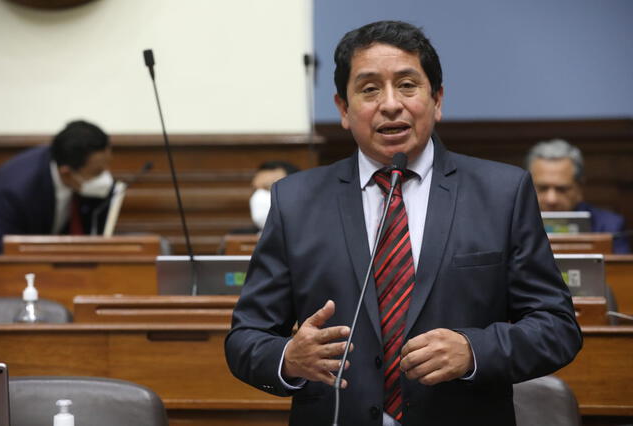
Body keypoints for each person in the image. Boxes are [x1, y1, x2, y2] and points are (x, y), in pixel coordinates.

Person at [225, 21, 582, 426]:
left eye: (408, 85)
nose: (391, 104)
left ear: (437, 100)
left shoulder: (502, 192)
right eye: (370, 89)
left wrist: (474, 349)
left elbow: (556, 327)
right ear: (343, 108)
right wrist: (288, 359)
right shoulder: (295, 200)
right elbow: (244, 339)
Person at [0, 120, 115, 254]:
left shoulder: (69, 162)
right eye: (97, 172)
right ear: (66, 172)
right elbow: (0, 251)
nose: (105, 177)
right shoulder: (15, 192)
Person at [526, 139, 630, 253]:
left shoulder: (609, 227)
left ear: (579, 189)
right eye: (542, 188)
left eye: (562, 189)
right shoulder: (511, 226)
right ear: (526, 187)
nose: (552, 199)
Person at [248, 161, 300, 233]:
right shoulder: (236, 239)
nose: (259, 196)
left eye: (269, 188)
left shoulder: (311, 241)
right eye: (256, 189)